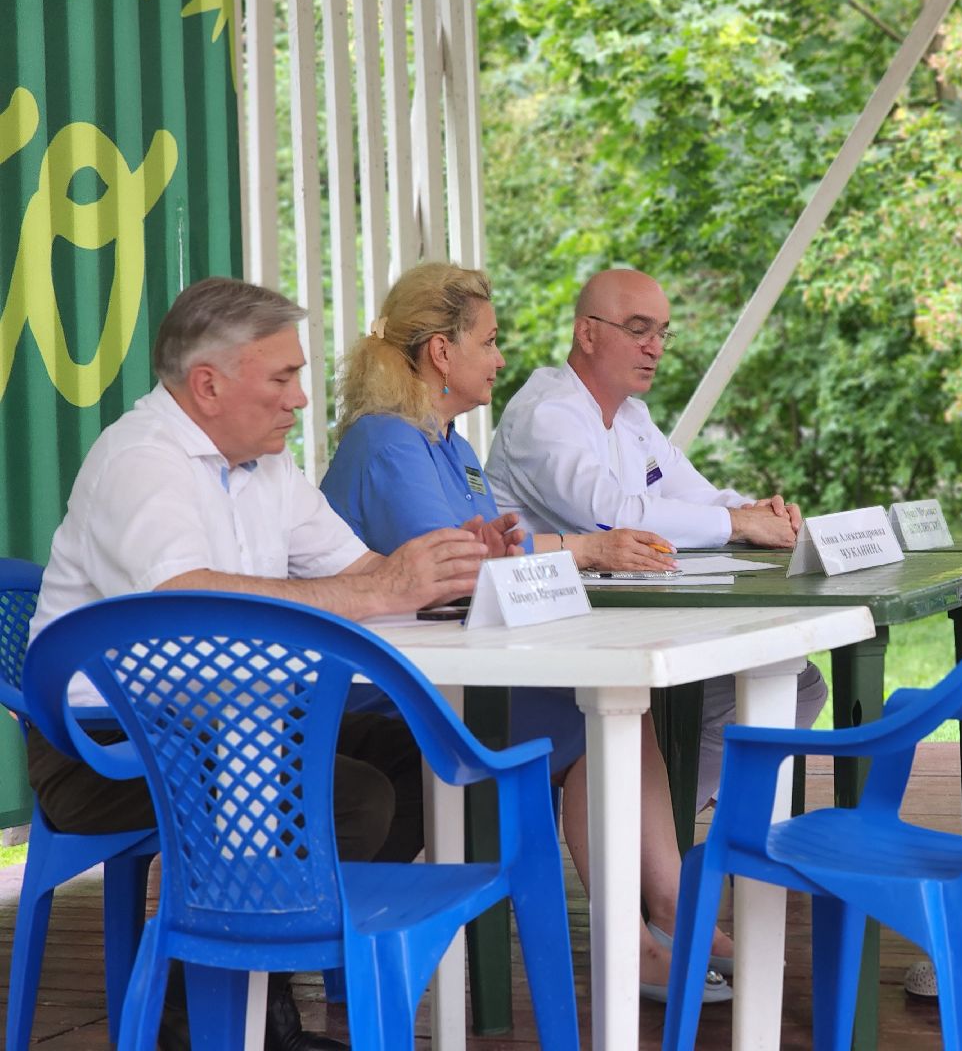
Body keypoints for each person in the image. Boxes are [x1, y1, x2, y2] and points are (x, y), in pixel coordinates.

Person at [26, 276, 518, 1050]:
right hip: (107, 748)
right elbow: (182, 598)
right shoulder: (141, 459)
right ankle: (221, 1009)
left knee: (412, 762)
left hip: (235, 727)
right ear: (209, 384)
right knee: (348, 798)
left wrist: (447, 567)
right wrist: (381, 586)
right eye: (283, 377)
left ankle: (258, 972)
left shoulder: (268, 469)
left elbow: (365, 574)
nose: (299, 400)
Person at [320, 261, 733, 1001]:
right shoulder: (386, 441)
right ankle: (640, 936)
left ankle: (660, 914)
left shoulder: (450, 444)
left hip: (445, 675)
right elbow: (449, 567)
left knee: (612, 705)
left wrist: (512, 549)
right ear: (441, 353)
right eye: (489, 341)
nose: (502, 358)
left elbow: (482, 554)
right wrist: (585, 547)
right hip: (379, 697)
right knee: (599, 712)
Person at [484, 268, 829, 809]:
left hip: (624, 624)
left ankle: (647, 817)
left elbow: (697, 495)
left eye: (662, 332)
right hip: (548, 643)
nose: (653, 347)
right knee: (774, 683)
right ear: (587, 333)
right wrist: (739, 525)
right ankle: (624, 819)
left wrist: (756, 512)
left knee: (797, 682)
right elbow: (610, 514)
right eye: (638, 328)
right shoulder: (544, 412)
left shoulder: (632, 417)